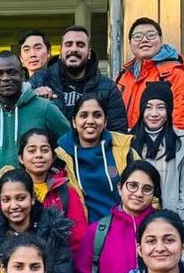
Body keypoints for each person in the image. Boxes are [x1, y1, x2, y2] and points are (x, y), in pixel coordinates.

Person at [0, 51, 71, 190]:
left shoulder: (45, 108)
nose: (5, 78)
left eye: (12, 72)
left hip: (39, 201)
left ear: (23, 75)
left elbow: (69, 145)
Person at [0, 129, 88, 255]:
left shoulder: (66, 192)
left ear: (53, 157)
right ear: (21, 158)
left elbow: (79, 241)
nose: (38, 155)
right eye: (31, 150)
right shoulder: (0, 190)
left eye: (44, 150)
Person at [73, 161, 159, 273]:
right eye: (132, 185)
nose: (138, 193)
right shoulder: (98, 231)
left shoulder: (163, 230)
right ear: (120, 188)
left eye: (147, 189)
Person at [0, 169, 74, 273]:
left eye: (20, 198)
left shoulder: (53, 232)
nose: (14, 205)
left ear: (32, 198)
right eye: (6, 200)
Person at [57, 94, 139, 222]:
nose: (90, 121)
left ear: (105, 121)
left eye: (97, 115)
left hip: (123, 231)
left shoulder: (124, 151)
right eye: (83, 115)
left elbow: (148, 192)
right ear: (74, 122)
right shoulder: (61, 158)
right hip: (83, 237)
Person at [30, 25, 127, 131]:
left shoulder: (108, 88)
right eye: (68, 44)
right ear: (60, 51)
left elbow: (118, 133)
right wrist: (34, 100)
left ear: (89, 53)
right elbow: (22, 121)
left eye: (80, 45)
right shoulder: (39, 81)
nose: (74, 49)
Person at [131, 81, 184, 220]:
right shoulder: (128, 141)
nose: (154, 113)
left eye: (161, 107)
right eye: (148, 107)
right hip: (134, 220)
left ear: (168, 111)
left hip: (171, 220)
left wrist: (178, 222)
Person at [115, 17, 184, 131]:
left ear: (161, 39)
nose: (144, 40)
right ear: (130, 43)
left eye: (151, 35)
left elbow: (179, 121)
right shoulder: (123, 75)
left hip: (159, 145)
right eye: (138, 36)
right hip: (125, 144)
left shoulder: (175, 75)